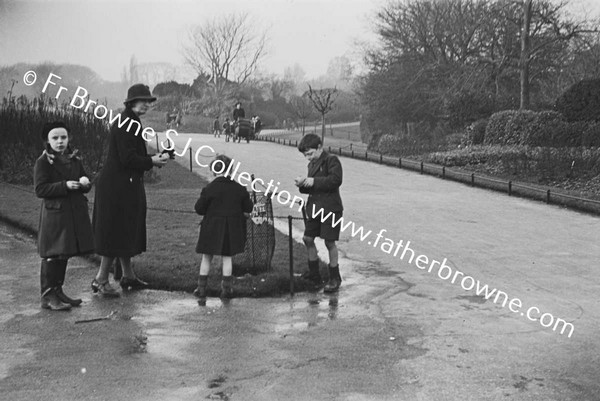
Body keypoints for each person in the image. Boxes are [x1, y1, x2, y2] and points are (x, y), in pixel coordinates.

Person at [92, 84, 169, 297]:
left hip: (125, 184)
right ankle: (100, 279)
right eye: (142, 100)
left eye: (148, 101)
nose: (146, 104)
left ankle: (128, 276)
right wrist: (152, 160)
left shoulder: (130, 119)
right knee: (115, 233)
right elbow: (127, 159)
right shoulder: (126, 122)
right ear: (131, 102)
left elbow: (132, 156)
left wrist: (151, 160)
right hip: (116, 187)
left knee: (125, 230)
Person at [34, 121, 94, 310]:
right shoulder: (43, 162)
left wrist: (85, 183)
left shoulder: (74, 159)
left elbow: (84, 180)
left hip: (72, 214)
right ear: (47, 140)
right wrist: (64, 185)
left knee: (63, 254)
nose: (60, 141)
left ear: (68, 139)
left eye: (63, 137)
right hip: (55, 216)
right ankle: (47, 296)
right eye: (55, 138)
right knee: (53, 255)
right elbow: (40, 189)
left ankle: (58, 291)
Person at [193, 154, 253, 302]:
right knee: (227, 258)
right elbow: (248, 208)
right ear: (231, 170)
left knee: (206, 257)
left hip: (211, 228)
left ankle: (201, 289)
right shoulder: (239, 189)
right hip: (231, 229)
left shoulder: (209, 189)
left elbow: (199, 209)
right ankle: (226, 290)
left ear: (214, 170)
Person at [295, 134, 343, 292]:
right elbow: (310, 187)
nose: (308, 158)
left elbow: (335, 180)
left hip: (330, 208)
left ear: (320, 147)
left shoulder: (331, 160)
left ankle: (334, 277)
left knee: (329, 242)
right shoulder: (312, 164)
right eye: (305, 155)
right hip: (315, 208)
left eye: (310, 153)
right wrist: (302, 184)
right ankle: (314, 274)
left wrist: (314, 181)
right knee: (308, 238)